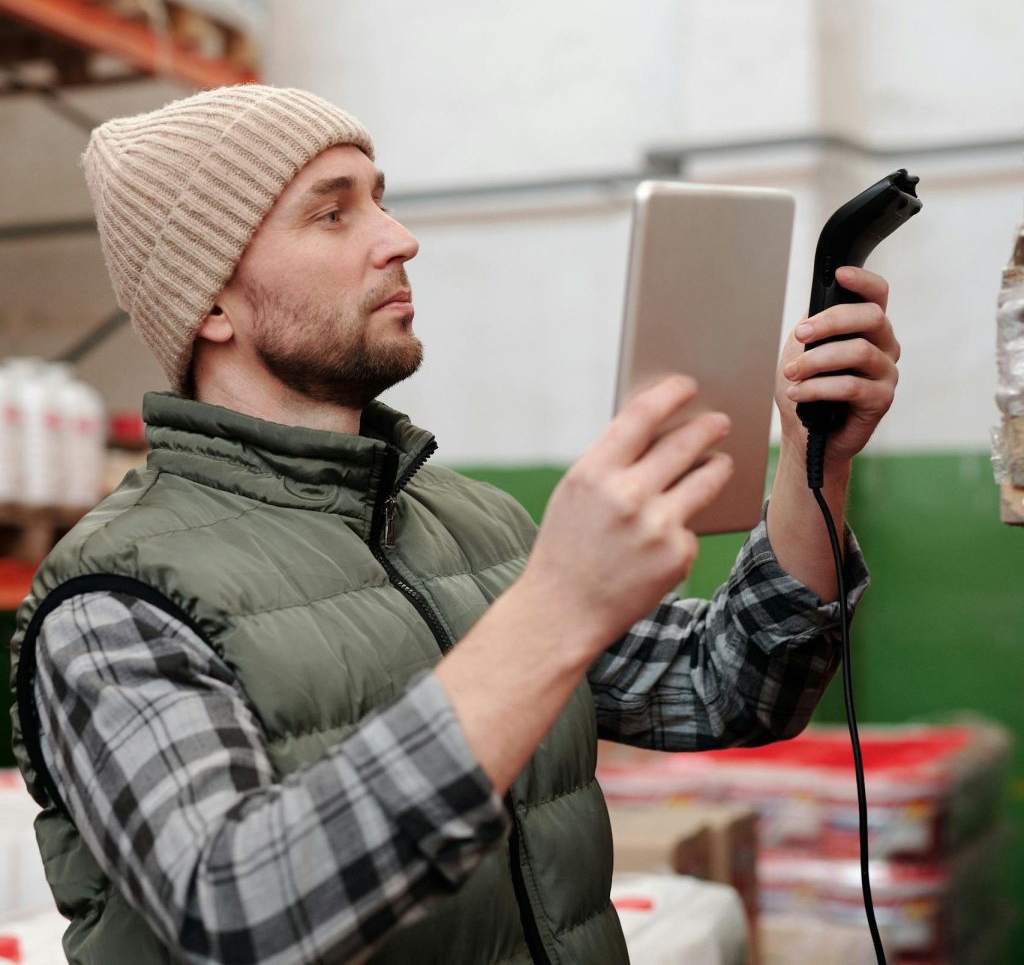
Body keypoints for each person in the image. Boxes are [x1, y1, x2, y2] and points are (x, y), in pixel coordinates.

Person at [9, 85, 898, 965]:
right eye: (331, 215)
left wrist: (816, 458)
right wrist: (554, 607)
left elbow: (732, 687)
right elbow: (249, 917)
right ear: (210, 305)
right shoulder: (112, 598)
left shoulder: (475, 528)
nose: (399, 240)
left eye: (381, 202)